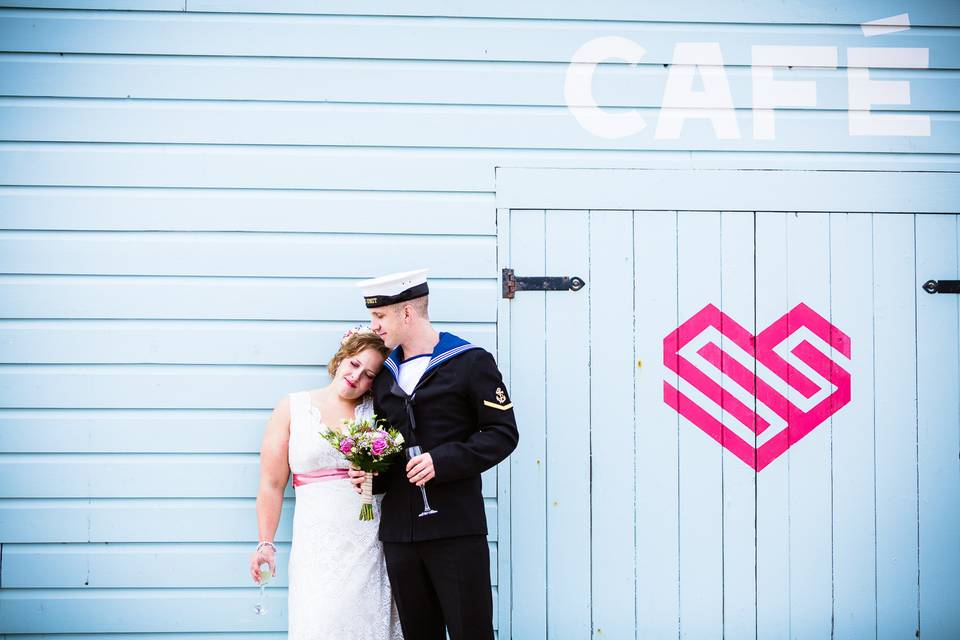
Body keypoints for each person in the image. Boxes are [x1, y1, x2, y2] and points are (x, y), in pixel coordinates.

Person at [349, 269, 519, 640]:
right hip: (399, 534)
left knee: (469, 631)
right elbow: (387, 446)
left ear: (406, 313)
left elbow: (503, 434)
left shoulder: (470, 361)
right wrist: (370, 477)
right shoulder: (384, 375)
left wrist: (442, 461)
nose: (374, 326)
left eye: (380, 316)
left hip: (455, 529)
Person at [249, 328, 403, 640]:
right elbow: (272, 483)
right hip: (316, 542)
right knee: (320, 622)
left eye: (370, 374)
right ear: (342, 356)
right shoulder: (292, 407)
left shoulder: (378, 414)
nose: (357, 376)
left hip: (368, 538)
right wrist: (266, 542)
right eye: (355, 364)